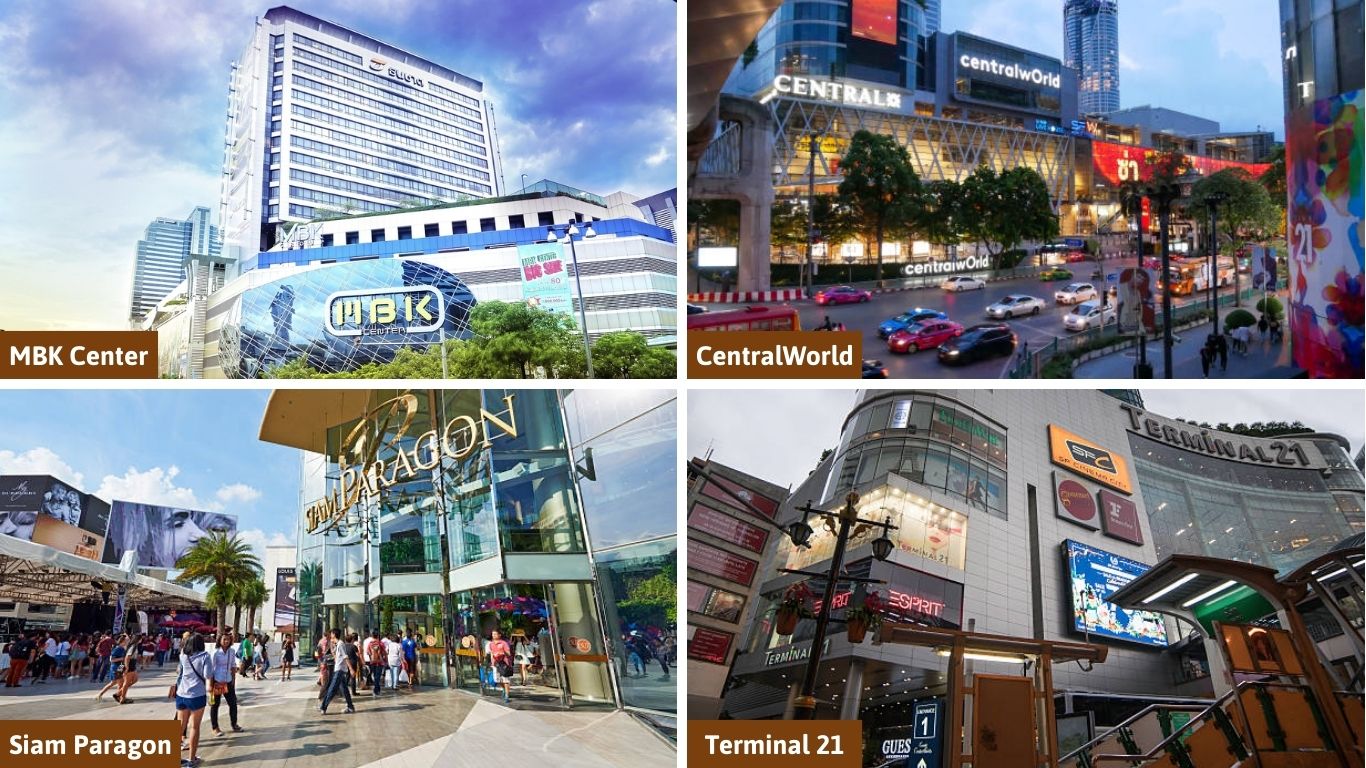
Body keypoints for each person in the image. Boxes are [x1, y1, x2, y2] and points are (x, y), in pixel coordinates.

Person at [175, 634, 212, 768]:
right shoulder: (205, 656)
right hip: (197, 694)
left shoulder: (183, 655)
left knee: (179, 727)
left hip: (181, 693)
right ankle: (191, 759)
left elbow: (179, 671)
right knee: (194, 727)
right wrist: (209, 690)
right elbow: (208, 676)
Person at [209, 633, 243, 737]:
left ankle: (234, 724)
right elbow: (211, 669)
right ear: (220, 640)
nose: (226, 641)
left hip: (228, 680)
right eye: (224, 639)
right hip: (218, 681)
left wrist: (233, 679)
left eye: (228, 640)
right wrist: (211, 684)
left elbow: (233, 665)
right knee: (215, 705)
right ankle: (215, 728)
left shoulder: (231, 651)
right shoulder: (215, 652)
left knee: (233, 703)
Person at [318, 630, 355, 715]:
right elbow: (337, 657)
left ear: (334, 634)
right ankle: (350, 707)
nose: (330, 635)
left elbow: (345, 657)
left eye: (331, 634)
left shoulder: (341, 644)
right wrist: (333, 650)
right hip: (339, 669)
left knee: (332, 688)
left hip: (340, 670)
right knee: (344, 690)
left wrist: (351, 669)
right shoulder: (337, 644)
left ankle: (323, 707)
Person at [96, 635, 129, 700]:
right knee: (119, 683)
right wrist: (122, 658)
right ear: (122, 641)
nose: (127, 642)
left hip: (121, 666)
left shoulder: (122, 648)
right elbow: (112, 659)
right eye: (126, 641)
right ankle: (119, 696)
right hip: (116, 667)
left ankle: (101, 694)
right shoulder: (117, 648)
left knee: (116, 683)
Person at [486, 630, 512, 704]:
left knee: (505, 680)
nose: (493, 635)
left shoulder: (504, 643)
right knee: (498, 680)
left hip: (504, 664)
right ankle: (504, 689)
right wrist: (492, 662)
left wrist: (503, 652)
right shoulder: (491, 644)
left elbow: (509, 654)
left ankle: (507, 695)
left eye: (495, 634)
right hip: (496, 664)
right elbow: (491, 653)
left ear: (499, 635)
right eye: (492, 634)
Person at [363, 630, 386, 696]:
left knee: (376, 676)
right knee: (377, 677)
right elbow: (384, 652)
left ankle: (377, 690)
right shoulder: (381, 643)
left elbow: (368, 652)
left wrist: (371, 658)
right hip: (380, 662)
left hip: (373, 662)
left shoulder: (370, 643)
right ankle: (376, 691)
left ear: (372, 636)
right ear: (378, 636)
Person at [315, 631, 334, 701]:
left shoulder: (321, 641)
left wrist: (320, 660)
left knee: (323, 675)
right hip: (325, 661)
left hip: (322, 660)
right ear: (328, 635)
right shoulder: (326, 641)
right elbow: (323, 651)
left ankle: (323, 688)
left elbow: (317, 652)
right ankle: (323, 692)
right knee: (325, 677)